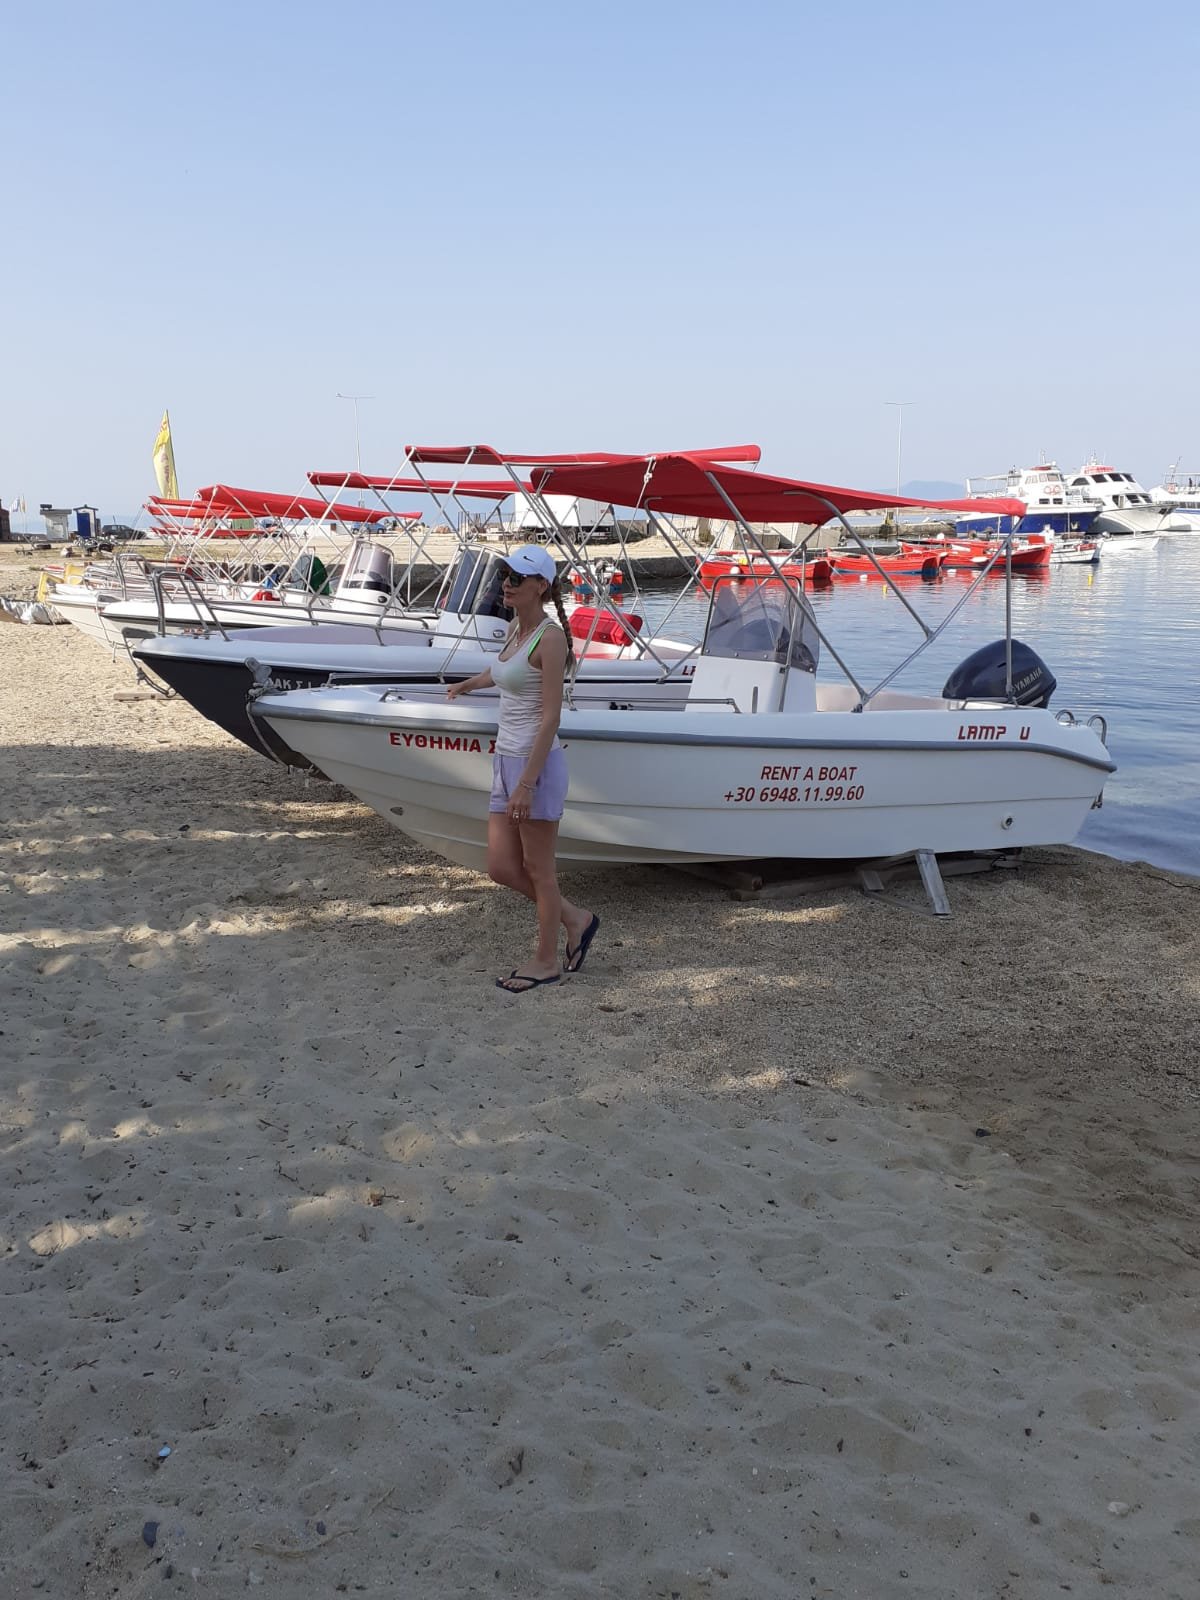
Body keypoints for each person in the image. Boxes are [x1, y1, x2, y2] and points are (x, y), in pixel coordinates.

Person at [447, 545, 600, 993]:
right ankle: (576, 918)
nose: (507, 583)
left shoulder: (550, 639)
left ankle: (546, 961)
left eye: (517, 577)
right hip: (505, 761)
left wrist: (527, 784)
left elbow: (551, 718)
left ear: (541, 586)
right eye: (505, 575)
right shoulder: (517, 627)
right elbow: (501, 673)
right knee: (500, 866)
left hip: (536, 767)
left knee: (539, 870)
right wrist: (467, 685)